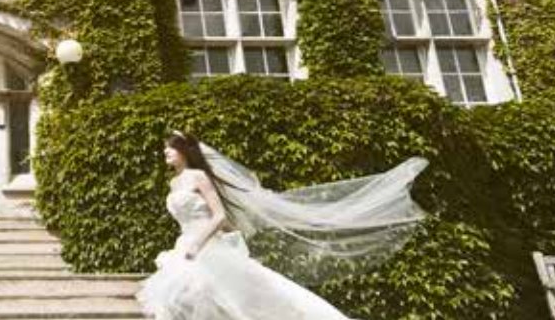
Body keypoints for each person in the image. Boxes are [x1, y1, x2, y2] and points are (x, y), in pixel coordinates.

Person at [137, 131, 429, 319]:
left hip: (205, 248)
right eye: (165, 150)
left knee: (244, 299)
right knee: (181, 300)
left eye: (170, 149)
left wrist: (199, 244)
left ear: (184, 151)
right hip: (186, 247)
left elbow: (219, 216)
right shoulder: (174, 183)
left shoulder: (199, 177)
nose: (165, 153)